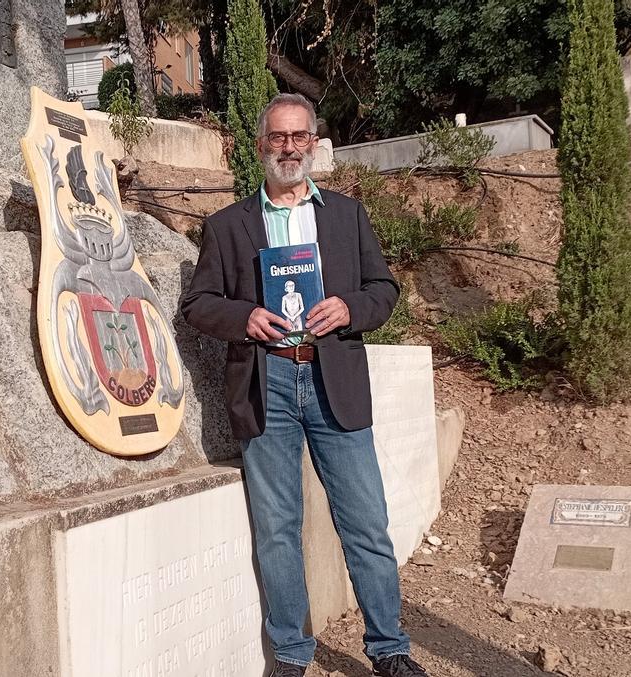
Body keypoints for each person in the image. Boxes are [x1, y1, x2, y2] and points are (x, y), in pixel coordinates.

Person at [181, 93, 429, 677]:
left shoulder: (347, 216)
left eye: (299, 137)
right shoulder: (227, 225)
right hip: (267, 384)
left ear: (314, 144)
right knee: (276, 532)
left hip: (333, 382)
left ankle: (389, 649)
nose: (288, 147)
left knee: (366, 523)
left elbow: (384, 291)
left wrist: (348, 308)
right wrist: (243, 317)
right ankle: (292, 655)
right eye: (277, 137)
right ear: (261, 143)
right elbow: (198, 303)